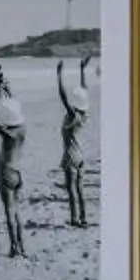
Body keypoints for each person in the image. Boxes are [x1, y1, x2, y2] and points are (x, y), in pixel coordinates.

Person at [0, 67, 29, 258]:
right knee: (16, 210)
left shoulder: (7, 134)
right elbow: (13, 105)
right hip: (18, 172)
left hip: (6, 172)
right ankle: (22, 246)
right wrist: (5, 87)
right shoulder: (21, 129)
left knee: (9, 211)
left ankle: (14, 247)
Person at [57, 53, 95, 229]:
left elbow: (63, 97)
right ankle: (84, 217)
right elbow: (84, 89)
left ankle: (74, 219)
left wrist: (59, 75)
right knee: (80, 189)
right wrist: (82, 69)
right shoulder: (84, 114)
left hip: (71, 155)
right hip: (81, 154)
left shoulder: (72, 115)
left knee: (71, 189)